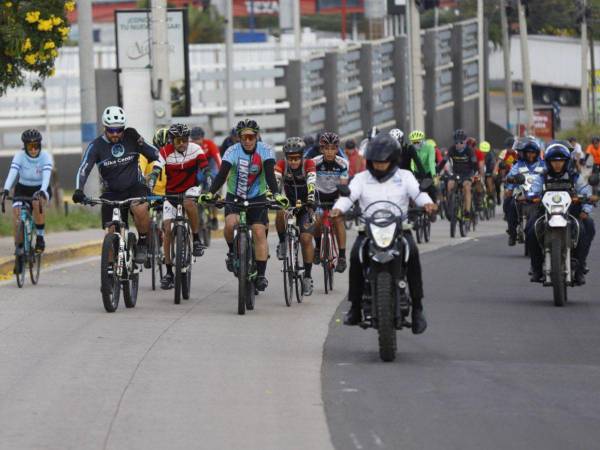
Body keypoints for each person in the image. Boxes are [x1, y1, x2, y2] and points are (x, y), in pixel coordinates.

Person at [331, 134, 437, 333]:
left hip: (399, 230)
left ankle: (418, 309)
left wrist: (428, 203)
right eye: (376, 161)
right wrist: (338, 208)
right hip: (368, 231)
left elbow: (418, 193)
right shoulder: (361, 179)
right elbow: (349, 195)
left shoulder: (405, 176)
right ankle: (354, 307)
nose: (380, 164)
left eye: (384, 160)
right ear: (370, 160)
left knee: (413, 254)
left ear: (393, 159)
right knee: (355, 256)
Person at [199, 119, 287, 291]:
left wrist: (276, 194)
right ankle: (232, 252)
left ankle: (261, 275)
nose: (247, 140)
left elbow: (270, 175)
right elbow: (222, 174)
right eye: (243, 137)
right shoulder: (232, 151)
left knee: (259, 232)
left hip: (257, 197)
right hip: (235, 196)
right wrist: (211, 192)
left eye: (251, 136)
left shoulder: (265, 150)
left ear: (257, 136)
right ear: (238, 137)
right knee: (231, 224)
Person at [72, 106, 163, 263]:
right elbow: (84, 168)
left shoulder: (132, 136)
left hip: (135, 186)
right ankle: (109, 270)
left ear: (124, 128)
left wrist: (156, 168)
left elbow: (155, 153)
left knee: (139, 208)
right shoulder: (96, 146)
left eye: (119, 130)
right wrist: (79, 190)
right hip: (111, 191)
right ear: (105, 127)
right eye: (111, 130)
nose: (115, 134)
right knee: (112, 231)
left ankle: (142, 242)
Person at [527, 142, 595, 285]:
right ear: (548, 162)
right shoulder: (542, 176)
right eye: (554, 161)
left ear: (566, 162)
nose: (557, 165)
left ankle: (580, 267)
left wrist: (585, 206)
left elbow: (585, 190)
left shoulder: (574, 176)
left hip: (571, 212)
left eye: (561, 161)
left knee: (587, 226)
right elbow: (533, 188)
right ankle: (537, 267)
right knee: (530, 229)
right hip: (545, 211)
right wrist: (530, 195)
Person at [159, 124, 209, 289]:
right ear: (172, 141)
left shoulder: (195, 149)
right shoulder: (165, 152)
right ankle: (168, 272)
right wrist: (151, 180)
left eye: (185, 140)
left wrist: (208, 177)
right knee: (167, 229)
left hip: (190, 188)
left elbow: (205, 167)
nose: (182, 143)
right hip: (171, 193)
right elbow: (156, 169)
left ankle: (195, 239)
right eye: (178, 140)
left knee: (189, 202)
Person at [274, 137, 317, 295]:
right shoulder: (281, 165)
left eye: (296, 158)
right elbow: (276, 180)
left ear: (302, 156)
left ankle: (307, 276)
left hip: (307, 204)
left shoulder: (309, 164)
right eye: (290, 158)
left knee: (306, 239)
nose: (293, 162)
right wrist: (273, 195)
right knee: (279, 211)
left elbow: (312, 181)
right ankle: (282, 243)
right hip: (290, 203)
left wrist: (311, 198)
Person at [2, 129, 54, 257]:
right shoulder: (19, 156)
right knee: (17, 214)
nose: (33, 150)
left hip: (41, 187)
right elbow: (12, 173)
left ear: (40, 145)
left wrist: (42, 191)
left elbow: (46, 177)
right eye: (29, 146)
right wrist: (6, 189)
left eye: (36, 146)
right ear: (24, 146)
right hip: (22, 188)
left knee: (37, 203)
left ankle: (40, 239)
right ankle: (19, 248)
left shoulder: (45, 156)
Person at [312, 132, 349, 272]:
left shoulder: (342, 163)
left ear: (337, 149)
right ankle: (317, 247)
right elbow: (309, 182)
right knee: (317, 219)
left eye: (333, 148)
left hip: (336, 196)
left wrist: (340, 204)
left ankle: (342, 257)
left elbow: (344, 185)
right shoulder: (314, 163)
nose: (329, 152)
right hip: (319, 196)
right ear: (321, 149)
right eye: (326, 148)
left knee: (338, 220)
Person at [503, 137, 544, 246]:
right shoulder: (518, 165)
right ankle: (512, 233)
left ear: (537, 153)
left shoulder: (543, 164)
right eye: (528, 153)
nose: (530, 155)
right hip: (521, 193)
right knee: (511, 204)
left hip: (538, 195)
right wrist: (509, 185)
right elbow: (510, 176)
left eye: (533, 153)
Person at [438, 129, 478, 220]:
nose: (458, 145)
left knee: (467, 188)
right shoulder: (451, 149)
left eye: (461, 142)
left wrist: (475, 174)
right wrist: (437, 171)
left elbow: (475, 164)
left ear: (465, 142)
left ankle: (467, 211)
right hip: (456, 173)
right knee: (450, 184)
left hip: (467, 173)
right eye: (456, 142)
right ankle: (451, 204)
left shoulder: (469, 150)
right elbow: (444, 161)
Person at [191, 126, 222, 230]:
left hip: (210, 166)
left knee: (213, 192)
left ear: (202, 138)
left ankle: (214, 218)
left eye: (198, 139)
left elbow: (218, 159)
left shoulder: (209, 144)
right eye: (194, 140)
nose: (196, 142)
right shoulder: (189, 147)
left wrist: (222, 174)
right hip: (198, 168)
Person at [409, 129, 437, 202]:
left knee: (432, 189)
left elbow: (431, 162)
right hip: (417, 172)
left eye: (417, 141)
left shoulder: (429, 147)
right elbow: (411, 162)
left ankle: (435, 205)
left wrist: (434, 175)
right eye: (413, 142)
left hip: (428, 172)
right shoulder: (411, 149)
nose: (415, 144)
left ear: (422, 140)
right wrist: (412, 173)